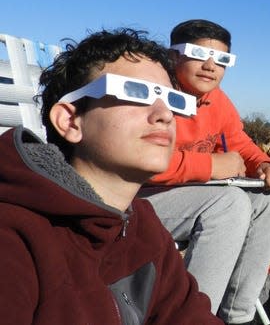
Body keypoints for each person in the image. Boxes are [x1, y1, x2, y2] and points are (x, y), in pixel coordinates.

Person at [0, 28, 222, 324]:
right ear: (70, 121)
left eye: (171, 100)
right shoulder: (15, 237)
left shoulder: (144, 226)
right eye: (134, 92)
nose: (164, 114)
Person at [139, 19, 270, 325]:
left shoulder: (216, 100)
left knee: (268, 201)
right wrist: (210, 166)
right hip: (138, 198)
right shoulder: (153, 92)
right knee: (228, 203)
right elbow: (135, 158)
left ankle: (238, 316)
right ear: (173, 56)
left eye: (222, 59)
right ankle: (195, 318)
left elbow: (239, 142)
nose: (210, 66)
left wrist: (265, 164)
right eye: (198, 54)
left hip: (186, 197)